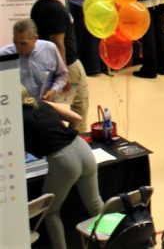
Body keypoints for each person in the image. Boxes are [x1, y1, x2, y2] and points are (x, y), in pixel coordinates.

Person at [21, 85, 102, 249]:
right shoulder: (41, 104)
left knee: (50, 211)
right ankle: (116, 242)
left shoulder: (14, 119)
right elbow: (76, 118)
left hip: (63, 160)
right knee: (96, 204)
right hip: (82, 148)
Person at [31, 0, 89, 130]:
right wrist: (63, 73)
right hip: (67, 63)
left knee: (52, 105)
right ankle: (78, 138)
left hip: (48, 63)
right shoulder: (55, 9)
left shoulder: (38, 5)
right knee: (80, 104)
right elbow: (57, 42)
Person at [2, 19, 67, 101]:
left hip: (46, 104)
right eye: (15, 42)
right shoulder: (4, 55)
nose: (18, 47)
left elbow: (62, 75)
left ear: (35, 38)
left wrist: (54, 90)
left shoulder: (49, 49)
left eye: (23, 44)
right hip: (18, 107)